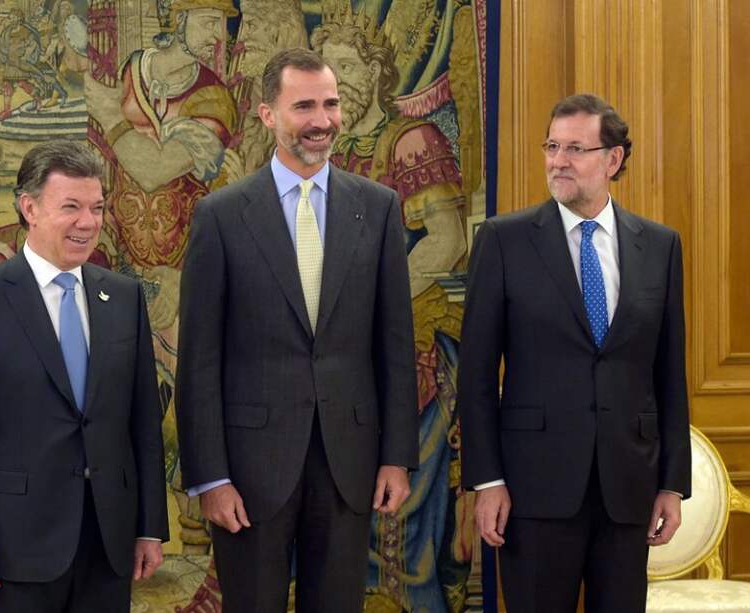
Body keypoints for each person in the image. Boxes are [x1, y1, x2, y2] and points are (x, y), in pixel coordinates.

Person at [175, 48, 419, 613]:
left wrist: (395, 457)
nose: (321, 120)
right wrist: (210, 477)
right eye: (304, 105)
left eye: (330, 104)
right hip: (248, 472)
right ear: (267, 115)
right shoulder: (221, 214)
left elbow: (395, 345)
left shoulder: (378, 208)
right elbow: (200, 360)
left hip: (349, 465)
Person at [457, 93, 691, 612]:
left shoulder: (658, 246)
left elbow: (668, 375)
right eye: (552, 146)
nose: (558, 160)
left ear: (614, 159)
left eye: (576, 149)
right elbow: (474, 375)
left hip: (627, 489)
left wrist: (672, 484)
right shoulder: (504, 241)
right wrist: (487, 481)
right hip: (533, 489)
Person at [0, 140, 169, 612]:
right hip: (12, 547)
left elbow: (143, 424)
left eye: (97, 208)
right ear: (30, 208)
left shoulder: (122, 297)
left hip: (108, 543)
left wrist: (148, 526)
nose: (88, 222)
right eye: (72, 207)